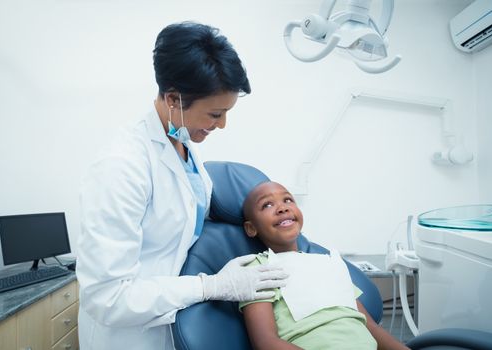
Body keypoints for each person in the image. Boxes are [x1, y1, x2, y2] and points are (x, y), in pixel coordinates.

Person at [76, 22, 288, 350]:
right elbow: (107, 297)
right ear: (174, 99)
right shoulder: (122, 166)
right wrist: (211, 286)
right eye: (216, 113)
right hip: (131, 334)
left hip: (177, 318)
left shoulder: (183, 143)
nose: (223, 124)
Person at [240, 181, 410, 350]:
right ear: (251, 228)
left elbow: (371, 327)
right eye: (267, 204)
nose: (282, 208)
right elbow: (266, 342)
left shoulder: (327, 263)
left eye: (288, 200)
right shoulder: (259, 268)